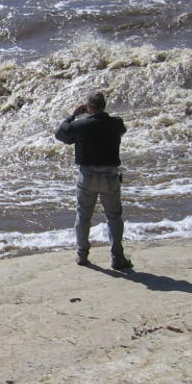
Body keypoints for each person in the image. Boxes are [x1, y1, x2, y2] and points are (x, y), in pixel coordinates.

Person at [55, 91, 132, 271]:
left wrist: (73, 115)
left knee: (83, 216)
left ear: (88, 107)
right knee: (113, 217)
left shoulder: (81, 125)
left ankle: (82, 254)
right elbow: (121, 130)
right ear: (104, 106)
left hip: (87, 176)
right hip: (110, 175)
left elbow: (60, 134)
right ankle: (117, 257)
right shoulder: (116, 123)